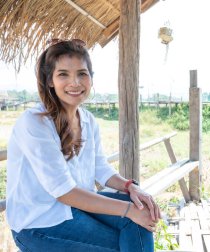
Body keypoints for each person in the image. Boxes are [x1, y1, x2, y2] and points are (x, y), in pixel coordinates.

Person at [6, 39, 160, 252]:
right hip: (38, 222)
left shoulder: (87, 120)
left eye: (82, 73)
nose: (75, 82)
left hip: (76, 207)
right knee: (125, 234)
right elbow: (64, 192)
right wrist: (128, 210)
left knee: (139, 214)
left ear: (91, 78)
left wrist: (130, 187)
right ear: (50, 80)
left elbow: (100, 168)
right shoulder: (35, 122)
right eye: (63, 74)